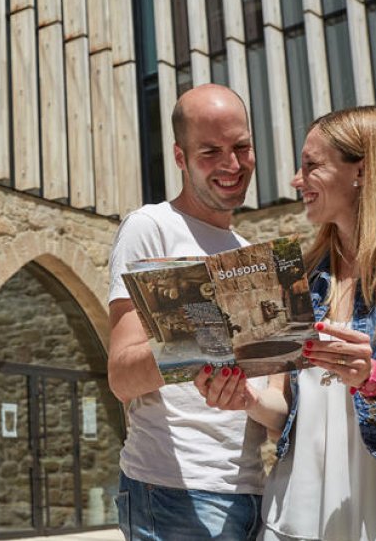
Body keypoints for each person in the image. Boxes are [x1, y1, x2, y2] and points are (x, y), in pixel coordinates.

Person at [197, 105, 376, 540]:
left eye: (311, 166)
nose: (296, 180)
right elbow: (281, 412)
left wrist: (375, 379)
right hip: (295, 520)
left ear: (361, 172)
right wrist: (244, 397)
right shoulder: (296, 278)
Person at [107, 84, 265, 540]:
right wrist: (206, 336)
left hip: (252, 490)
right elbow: (122, 376)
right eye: (210, 151)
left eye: (241, 147)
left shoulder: (247, 253)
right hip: (173, 493)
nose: (232, 165)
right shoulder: (150, 227)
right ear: (180, 157)